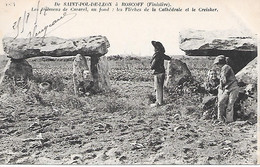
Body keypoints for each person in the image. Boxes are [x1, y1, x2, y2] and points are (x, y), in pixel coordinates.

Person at [213, 55, 239, 123]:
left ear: (220, 63)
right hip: (228, 88)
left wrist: (220, 87)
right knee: (221, 102)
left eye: (217, 64)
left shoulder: (226, 67)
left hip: (233, 87)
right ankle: (221, 120)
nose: (217, 66)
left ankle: (228, 121)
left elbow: (223, 80)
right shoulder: (223, 68)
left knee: (229, 104)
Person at [150, 41, 171, 107]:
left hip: (158, 72)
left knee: (158, 88)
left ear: (157, 48)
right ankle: (159, 102)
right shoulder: (161, 54)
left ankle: (159, 103)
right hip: (161, 72)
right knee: (160, 87)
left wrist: (152, 67)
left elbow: (153, 65)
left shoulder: (157, 54)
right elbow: (168, 58)